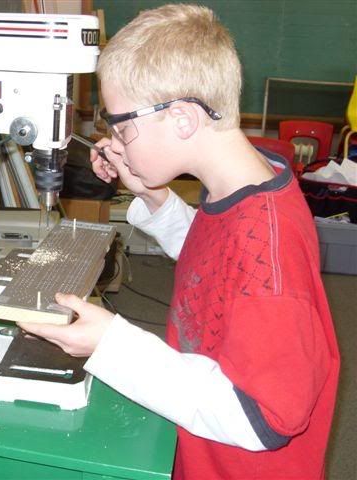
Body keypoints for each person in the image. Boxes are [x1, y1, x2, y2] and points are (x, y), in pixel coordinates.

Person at [18, 4, 340, 479]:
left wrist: (111, 344)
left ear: (183, 119)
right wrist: (155, 199)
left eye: (124, 127)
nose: (117, 142)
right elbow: (218, 261)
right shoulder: (246, 181)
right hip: (200, 442)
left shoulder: (269, 253)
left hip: (237, 463)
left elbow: (265, 418)